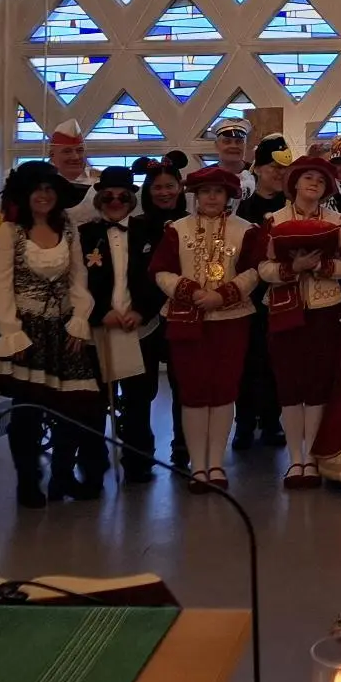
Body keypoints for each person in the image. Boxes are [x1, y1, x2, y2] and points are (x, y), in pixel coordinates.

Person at [0, 160, 103, 507]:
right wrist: (12, 332)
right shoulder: (9, 233)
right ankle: (27, 481)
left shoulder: (68, 228)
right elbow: (0, 286)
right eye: (37, 189)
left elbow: (78, 278)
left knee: (75, 408)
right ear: (25, 194)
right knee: (27, 412)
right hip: (27, 329)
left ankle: (62, 477)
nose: (44, 195)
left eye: (50, 189)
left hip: (64, 328)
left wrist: (79, 319)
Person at [150, 165, 261, 489]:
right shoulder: (176, 229)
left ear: (228, 196)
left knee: (224, 390)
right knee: (193, 392)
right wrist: (191, 292)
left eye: (218, 192)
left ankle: (216, 464)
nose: (211, 197)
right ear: (195, 196)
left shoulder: (246, 230)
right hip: (188, 319)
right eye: (205, 192)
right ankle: (198, 465)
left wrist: (223, 295)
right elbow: (160, 271)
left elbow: (254, 270)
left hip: (231, 321)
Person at [251, 156, 341, 488]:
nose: (314, 184)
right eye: (308, 177)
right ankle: (295, 458)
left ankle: (312, 457)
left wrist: (320, 266)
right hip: (284, 309)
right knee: (289, 385)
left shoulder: (337, 221)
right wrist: (293, 268)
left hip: (325, 310)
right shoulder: (274, 220)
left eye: (321, 181)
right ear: (294, 182)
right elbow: (262, 268)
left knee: (318, 384)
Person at [79, 167, 158, 483]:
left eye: (122, 196)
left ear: (131, 199)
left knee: (139, 401)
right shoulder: (84, 235)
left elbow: (158, 278)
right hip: (98, 331)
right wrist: (100, 313)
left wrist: (141, 311)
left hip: (139, 329)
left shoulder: (150, 232)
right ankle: (93, 464)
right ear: (99, 199)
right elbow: (75, 283)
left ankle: (139, 461)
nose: (115, 202)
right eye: (108, 196)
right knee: (93, 403)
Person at [131, 155, 192, 472]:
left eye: (170, 186)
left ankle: (183, 448)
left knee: (184, 385)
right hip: (144, 317)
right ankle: (138, 453)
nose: (165, 192)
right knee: (140, 390)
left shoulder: (191, 224)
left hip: (181, 314)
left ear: (180, 188)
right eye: (158, 187)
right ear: (148, 191)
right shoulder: (135, 227)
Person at [234, 135, 291, 452]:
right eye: (272, 167)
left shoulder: (290, 207)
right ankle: (244, 422)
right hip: (252, 295)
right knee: (248, 360)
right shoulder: (245, 209)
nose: (278, 174)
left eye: (283, 168)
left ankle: (272, 420)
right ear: (258, 169)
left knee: (275, 362)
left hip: (284, 293)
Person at [47, 119, 99, 225]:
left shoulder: (100, 181)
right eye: (67, 151)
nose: (75, 157)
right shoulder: (41, 182)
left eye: (80, 151)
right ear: (52, 155)